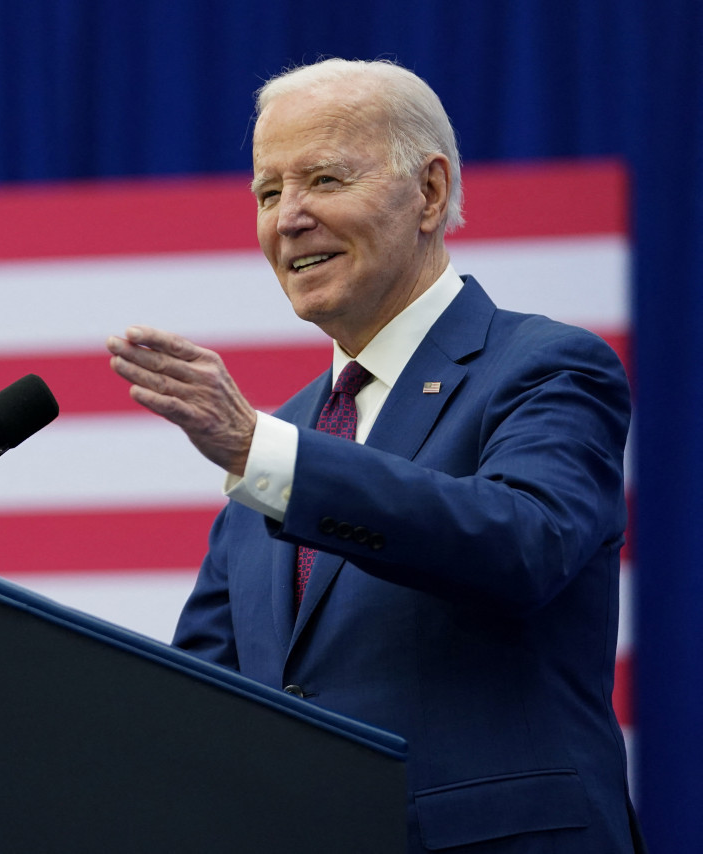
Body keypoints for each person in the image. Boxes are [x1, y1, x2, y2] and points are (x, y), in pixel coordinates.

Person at [107, 58, 645, 852]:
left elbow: (526, 543)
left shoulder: (545, 367)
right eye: (266, 192)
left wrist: (265, 453)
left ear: (429, 192)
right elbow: (203, 700)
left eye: (323, 179)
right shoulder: (276, 442)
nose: (287, 218)